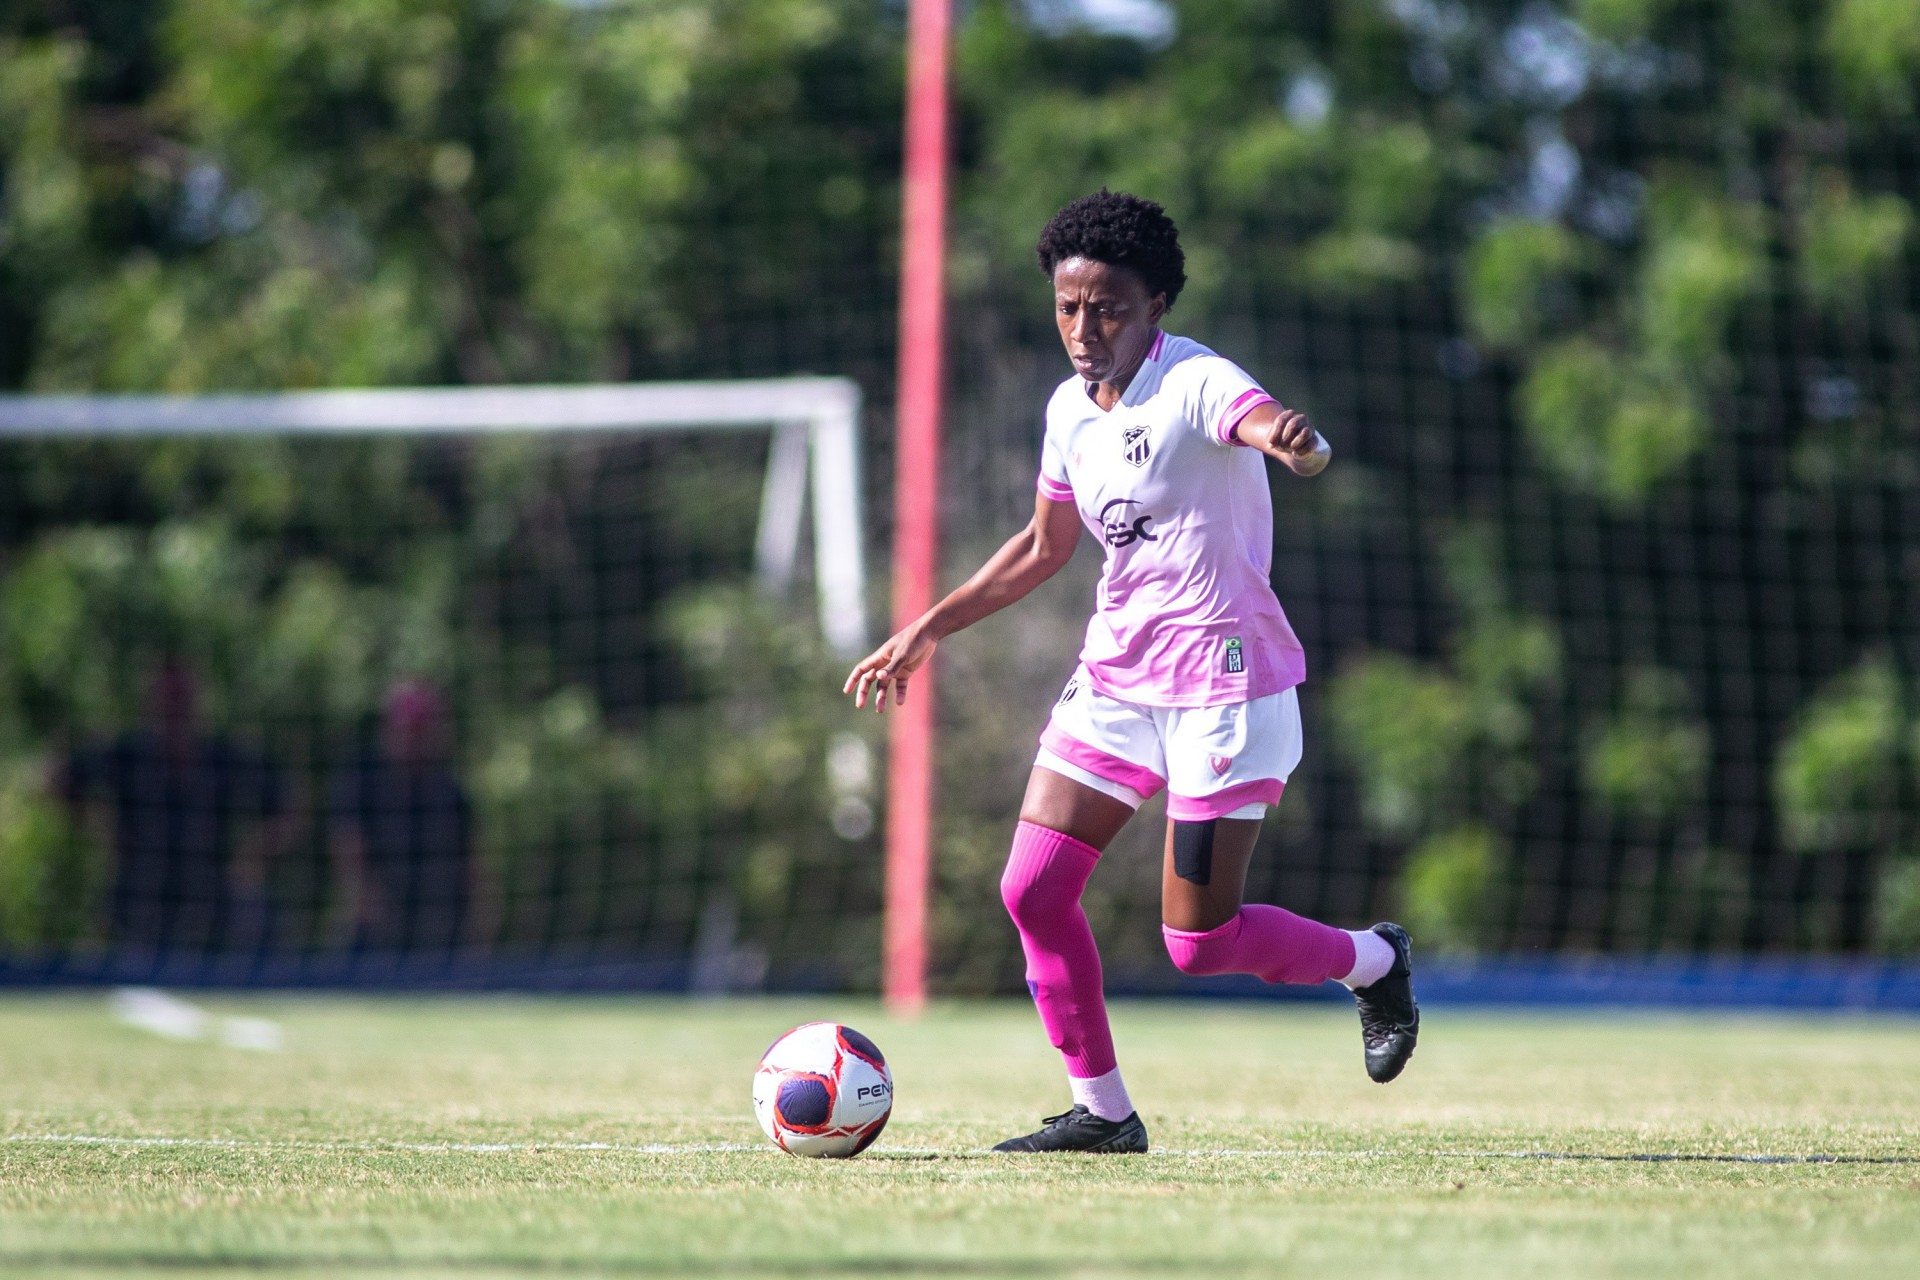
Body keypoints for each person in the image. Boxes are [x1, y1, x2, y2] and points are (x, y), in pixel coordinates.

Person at [845, 190, 1419, 1153]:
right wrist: (929, 628)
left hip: (1224, 686)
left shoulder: (1195, 379)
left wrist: (1293, 441)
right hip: (1115, 683)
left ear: (1154, 306)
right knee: (1032, 891)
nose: (1083, 329)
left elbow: (1260, 421)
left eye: (1107, 308)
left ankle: (1372, 961)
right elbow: (1044, 546)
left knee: (1198, 943)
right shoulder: (1068, 409)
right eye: (1067, 307)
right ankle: (1104, 1114)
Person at [55, 661, 289, 953]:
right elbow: (58, 778)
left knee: (254, 918)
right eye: (168, 700)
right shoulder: (127, 754)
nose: (175, 711)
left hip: (213, 899)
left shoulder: (223, 757)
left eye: (182, 700)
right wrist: (104, 829)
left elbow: (288, 803)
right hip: (140, 895)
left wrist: (249, 859)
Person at [327, 681, 481, 956]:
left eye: (421, 732)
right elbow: (347, 844)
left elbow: (473, 864)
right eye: (407, 731)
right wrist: (366, 897)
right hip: (375, 925)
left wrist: (479, 925)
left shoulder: (449, 790)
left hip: (438, 924)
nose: (413, 741)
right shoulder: (363, 778)